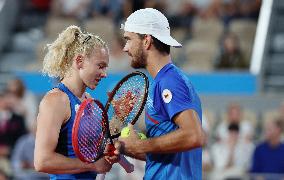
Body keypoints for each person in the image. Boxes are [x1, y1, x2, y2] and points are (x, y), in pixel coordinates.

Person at [119, 8, 205, 180]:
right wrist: (127, 148)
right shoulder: (167, 80)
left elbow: (194, 136)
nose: (125, 48)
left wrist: (141, 145)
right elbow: (168, 155)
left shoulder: (169, 81)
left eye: (128, 39)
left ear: (146, 41)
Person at [34, 25, 120, 179]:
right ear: (79, 61)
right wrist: (93, 165)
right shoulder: (55, 100)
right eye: (100, 66)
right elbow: (42, 161)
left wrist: (108, 153)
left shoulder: (92, 103)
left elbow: (93, 153)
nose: (105, 74)